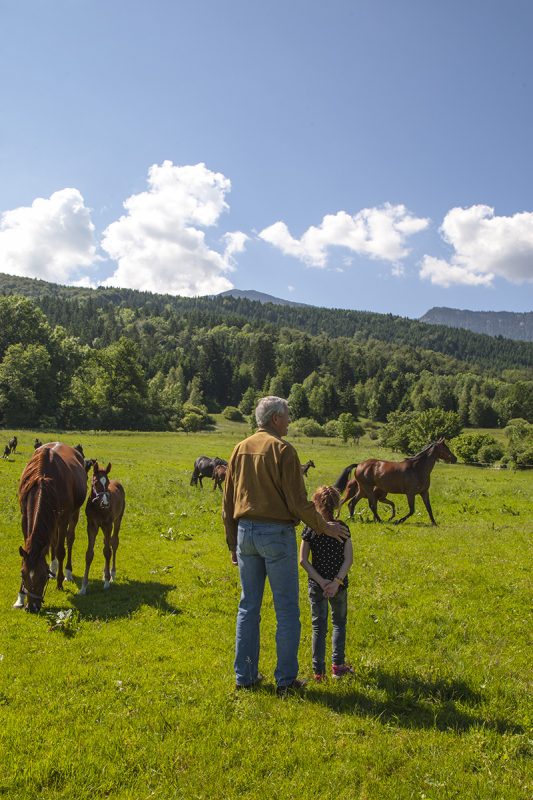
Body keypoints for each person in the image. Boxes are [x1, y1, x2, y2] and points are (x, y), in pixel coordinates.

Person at [223, 396, 348, 695]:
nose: (290, 421)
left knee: (248, 607)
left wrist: (232, 543)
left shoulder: (239, 449)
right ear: (276, 418)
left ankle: (245, 677)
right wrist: (324, 526)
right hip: (276, 534)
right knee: (287, 609)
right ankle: (286, 681)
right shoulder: (283, 450)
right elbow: (297, 502)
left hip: (245, 534)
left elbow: (227, 503)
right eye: (288, 415)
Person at [300, 485, 354, 681]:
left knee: (318, 627)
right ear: (337, 504)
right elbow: (349, 559)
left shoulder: (310, 528)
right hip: (339, 585)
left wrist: (322, 582)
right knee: (339, 623)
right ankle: (338, 668)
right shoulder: (343, 528)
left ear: (316, 503)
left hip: (317, 585)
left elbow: (303, 560)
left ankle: (318, 672)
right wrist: (336, 582)